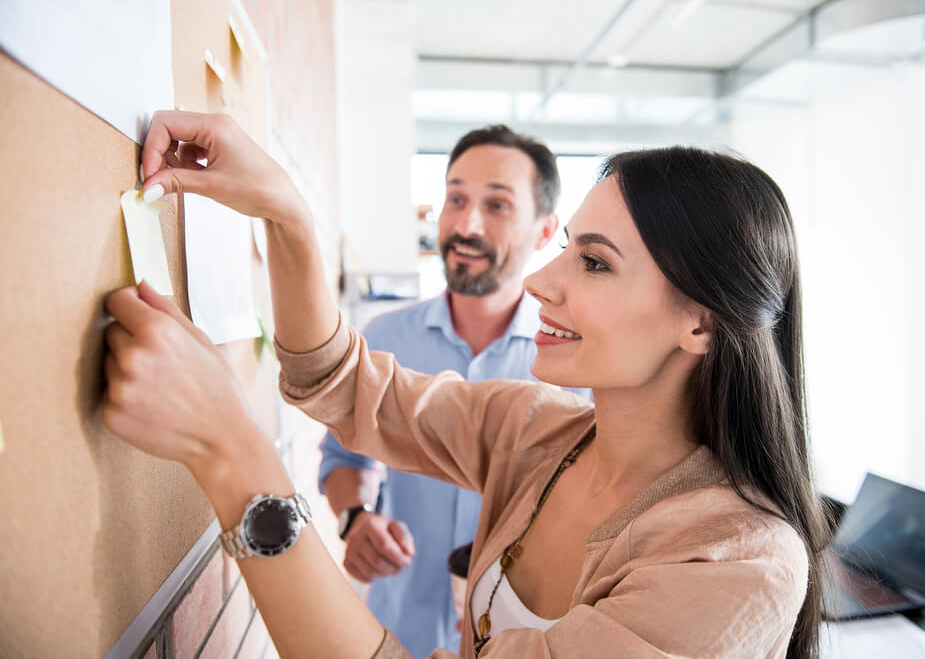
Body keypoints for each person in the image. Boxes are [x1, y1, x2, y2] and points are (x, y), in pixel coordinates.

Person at [103, 111, 829, 658]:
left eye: (595, 263)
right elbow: (341, 383)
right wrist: (288, 215)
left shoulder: (737, 561)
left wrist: (230, 449)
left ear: (700, 324)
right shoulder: (537, 431)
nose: (544, 282)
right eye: (568, 250)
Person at [319, 125, 588, 656]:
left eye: (497, 206)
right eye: (456, 199)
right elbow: (342, 456)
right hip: (397, 631)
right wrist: (355, 519)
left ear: (543, 230)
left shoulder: (578, 359)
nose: (466, 224)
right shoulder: (383, 339)